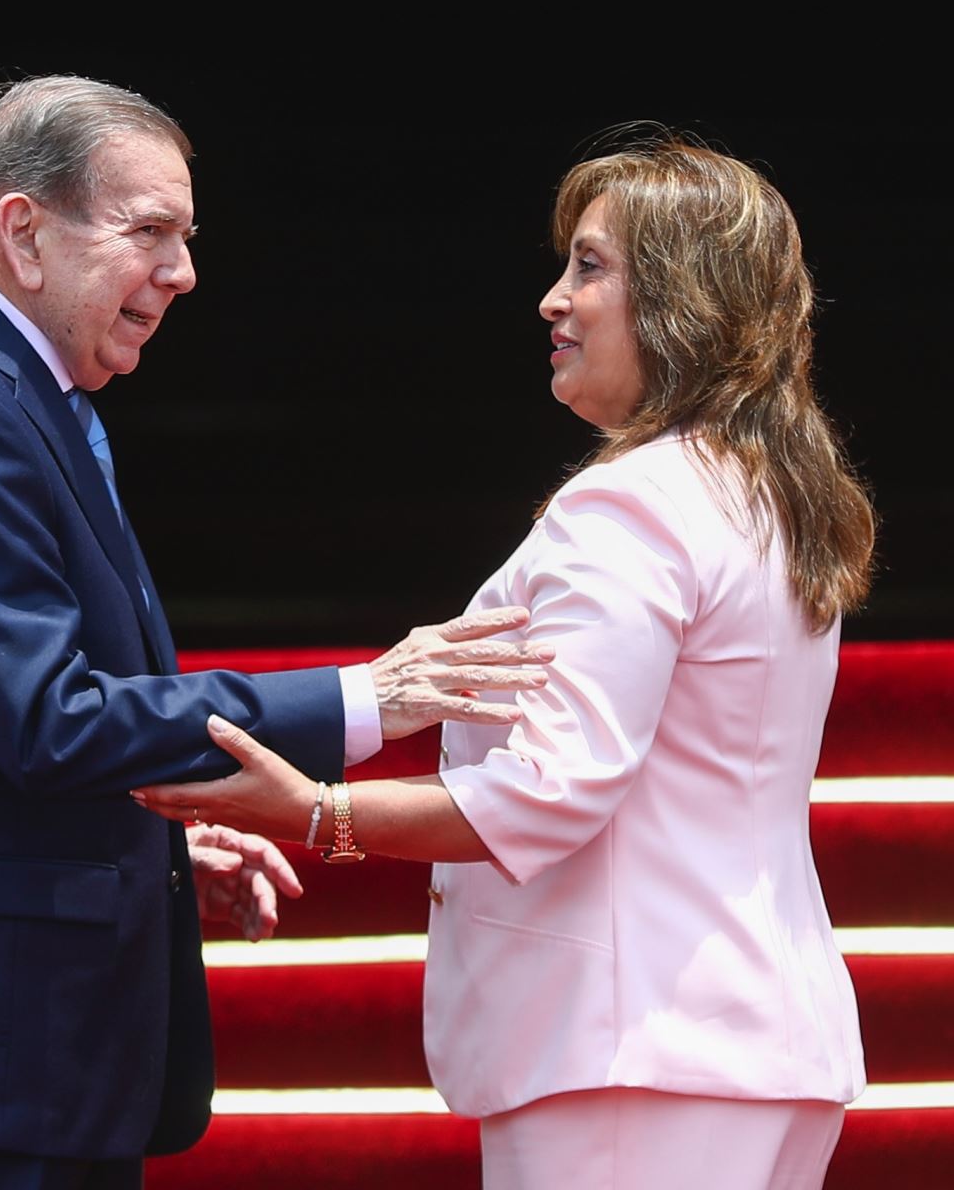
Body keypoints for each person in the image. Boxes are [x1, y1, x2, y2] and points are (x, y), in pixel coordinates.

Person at [0, 75, 549, 1190]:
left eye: (187, 235)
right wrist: (365, 699)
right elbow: (48, 719)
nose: (182, 271)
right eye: (148, 231)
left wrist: (150, 847)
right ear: (23, 230)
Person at [136, 139, 878, 1190]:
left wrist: (315, 811)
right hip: (743, 1038)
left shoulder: (632, 501)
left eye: (590, 266)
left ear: (684, 300)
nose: (553, 301)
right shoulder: (767, 492)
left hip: (634, 1052)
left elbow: (547, 790)